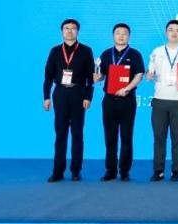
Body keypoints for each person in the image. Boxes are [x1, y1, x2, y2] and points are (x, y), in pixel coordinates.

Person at [42, 18, 94, 182]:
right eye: (66, 28)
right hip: (60, 94)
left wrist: (88, 96)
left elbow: (90, 77)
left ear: (78, 31)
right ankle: (58, 171)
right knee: (61, 134)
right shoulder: (55, 51)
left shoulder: (86, 50)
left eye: (73, 28)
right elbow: (48, 76)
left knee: (77, 134)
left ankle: (76, 171)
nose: (70, 31)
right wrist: (46, 97)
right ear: (62, 31)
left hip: (78, 93)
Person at [146, 19, 178, 182]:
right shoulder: (157, 51)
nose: (174, 33)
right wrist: (149, 75)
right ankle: (158, 170)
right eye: (171, 30)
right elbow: (150, 72)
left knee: (177, 137)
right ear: (166, 32)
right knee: (159, 137)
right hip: (160, 99)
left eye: (177, 30)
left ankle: (176, 170)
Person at [94, 23, 145, 182]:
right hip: (109, 100)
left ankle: (124, 171)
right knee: (110, 137)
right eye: (118, 33)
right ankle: (110, 170)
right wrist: (98, 77)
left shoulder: (135, 54)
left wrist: (127, 89)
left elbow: (139, 75)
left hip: (127, 100)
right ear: (113, 35)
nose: (121, 36)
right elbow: (102, 75)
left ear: (129, 36)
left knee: (126, 136)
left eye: (124, 33)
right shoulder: (106, 54)